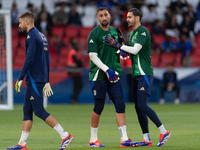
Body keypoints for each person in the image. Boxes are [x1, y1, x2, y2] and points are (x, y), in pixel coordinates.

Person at [105, 8, 171, 147]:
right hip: (136, 74)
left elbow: (135, 50)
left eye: (129, 17)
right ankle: (146, 139)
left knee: (142, 104)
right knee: (137, 107)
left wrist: (119, 45)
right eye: (127, 17)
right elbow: (133, 54)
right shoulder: (132, 33)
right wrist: (121, 51)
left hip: (144, 73)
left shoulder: (143, 31)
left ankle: (163, 131)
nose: (127, 19)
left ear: (137, 18)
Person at [7, 12, 72, 150]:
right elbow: (47, 60)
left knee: (38, 110)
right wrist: (46, 80)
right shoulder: (43, 36)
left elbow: (29, 59)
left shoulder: (31, 36)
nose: (18, 26)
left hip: (34, 79)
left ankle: (65, 135)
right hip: (38, 78)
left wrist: (20, 78)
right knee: (27, 110)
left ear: (27, 22)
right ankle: (22, 143)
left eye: (20, 23)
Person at [87, 7, 139, 148]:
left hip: (114, 74)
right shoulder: (93, 34)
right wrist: (106, 69)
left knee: (120, 105)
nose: (104, 17)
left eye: (106, 15)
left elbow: (122, 47)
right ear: (97, 18)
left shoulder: (116, 31)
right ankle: (93, 139)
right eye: (101, 15)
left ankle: (124, 139)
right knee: (99, 106)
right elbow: (93, 56)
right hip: (99, 75)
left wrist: (122, 52)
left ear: (109, 16)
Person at [67, 37, 83, 104]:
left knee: (77, 85)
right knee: (78, 85)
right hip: (74, 70)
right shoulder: (73, 52)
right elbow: (76, 61)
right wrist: (80, 63)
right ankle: (74, 99)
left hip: (74, 70)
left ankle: (74, 99)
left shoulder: (73, 51)